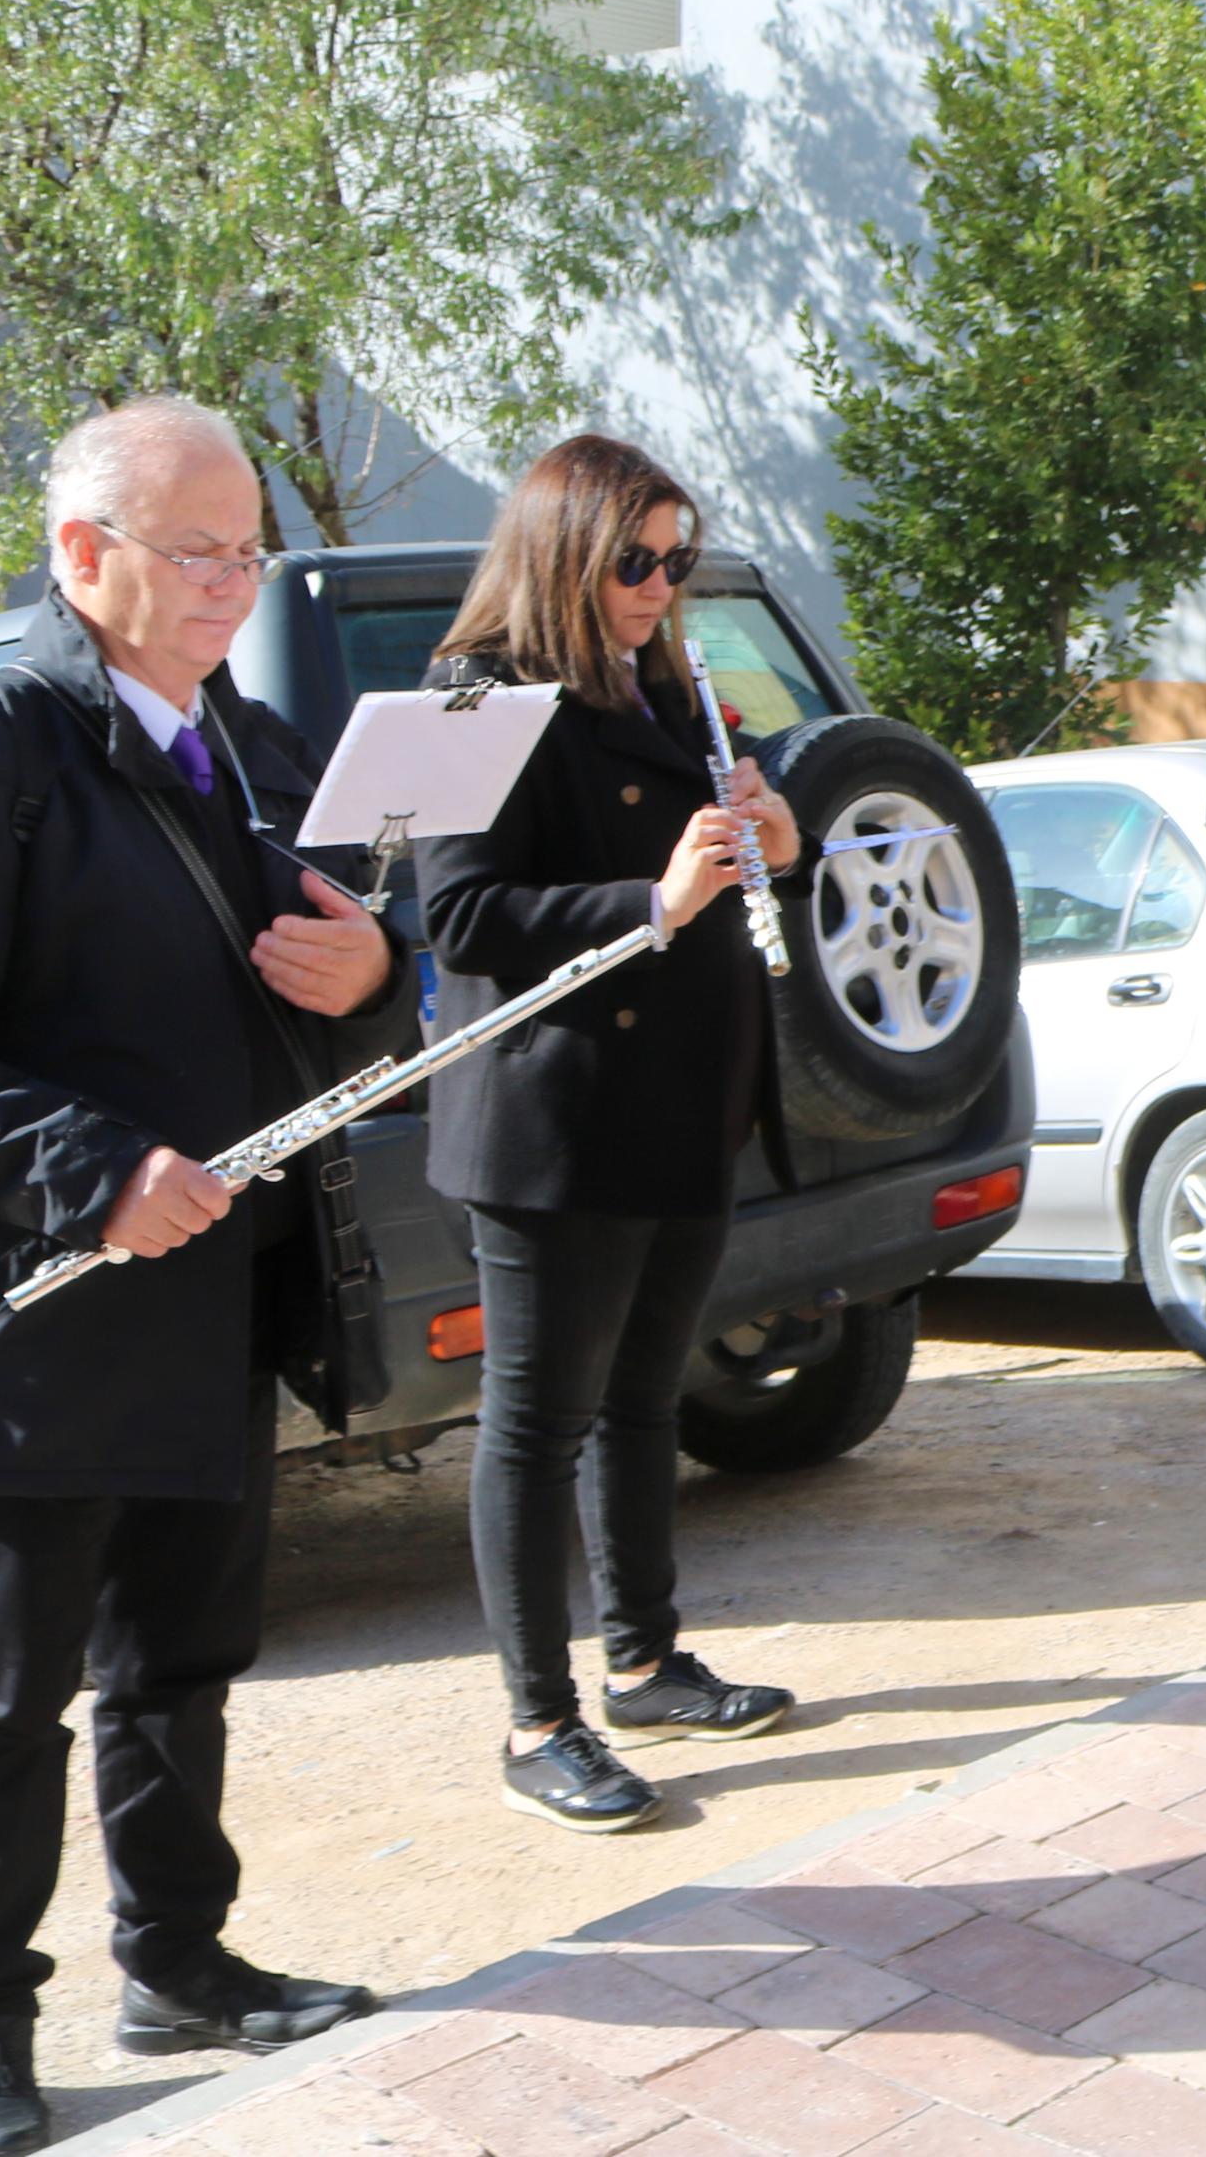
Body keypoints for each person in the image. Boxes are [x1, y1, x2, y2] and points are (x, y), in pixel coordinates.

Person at [0, 398, 400, 2157]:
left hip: (213, 1305)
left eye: (248, 553)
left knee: (183, 1665)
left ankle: (181, 1959)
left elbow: (354, 958)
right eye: (199, 553)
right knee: (4, 1705)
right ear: (85, 558)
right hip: (25, 1334)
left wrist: (373, 971)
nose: (236, 586)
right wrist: (94, 1175)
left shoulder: (257, 747)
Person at [414, 437, 805, 1836]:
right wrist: (650, 897)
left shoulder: (670, 678)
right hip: (556, 1117)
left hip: (682, 1098)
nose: (657, 585)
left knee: (647, 1397)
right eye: (633, 560)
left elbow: (739, 831)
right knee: (534, 1417)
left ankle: (641, 1656)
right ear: (565, 553)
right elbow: (458, 919)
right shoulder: (472, 693)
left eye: (675, 557)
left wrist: (773, 829)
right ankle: (537, 1718)